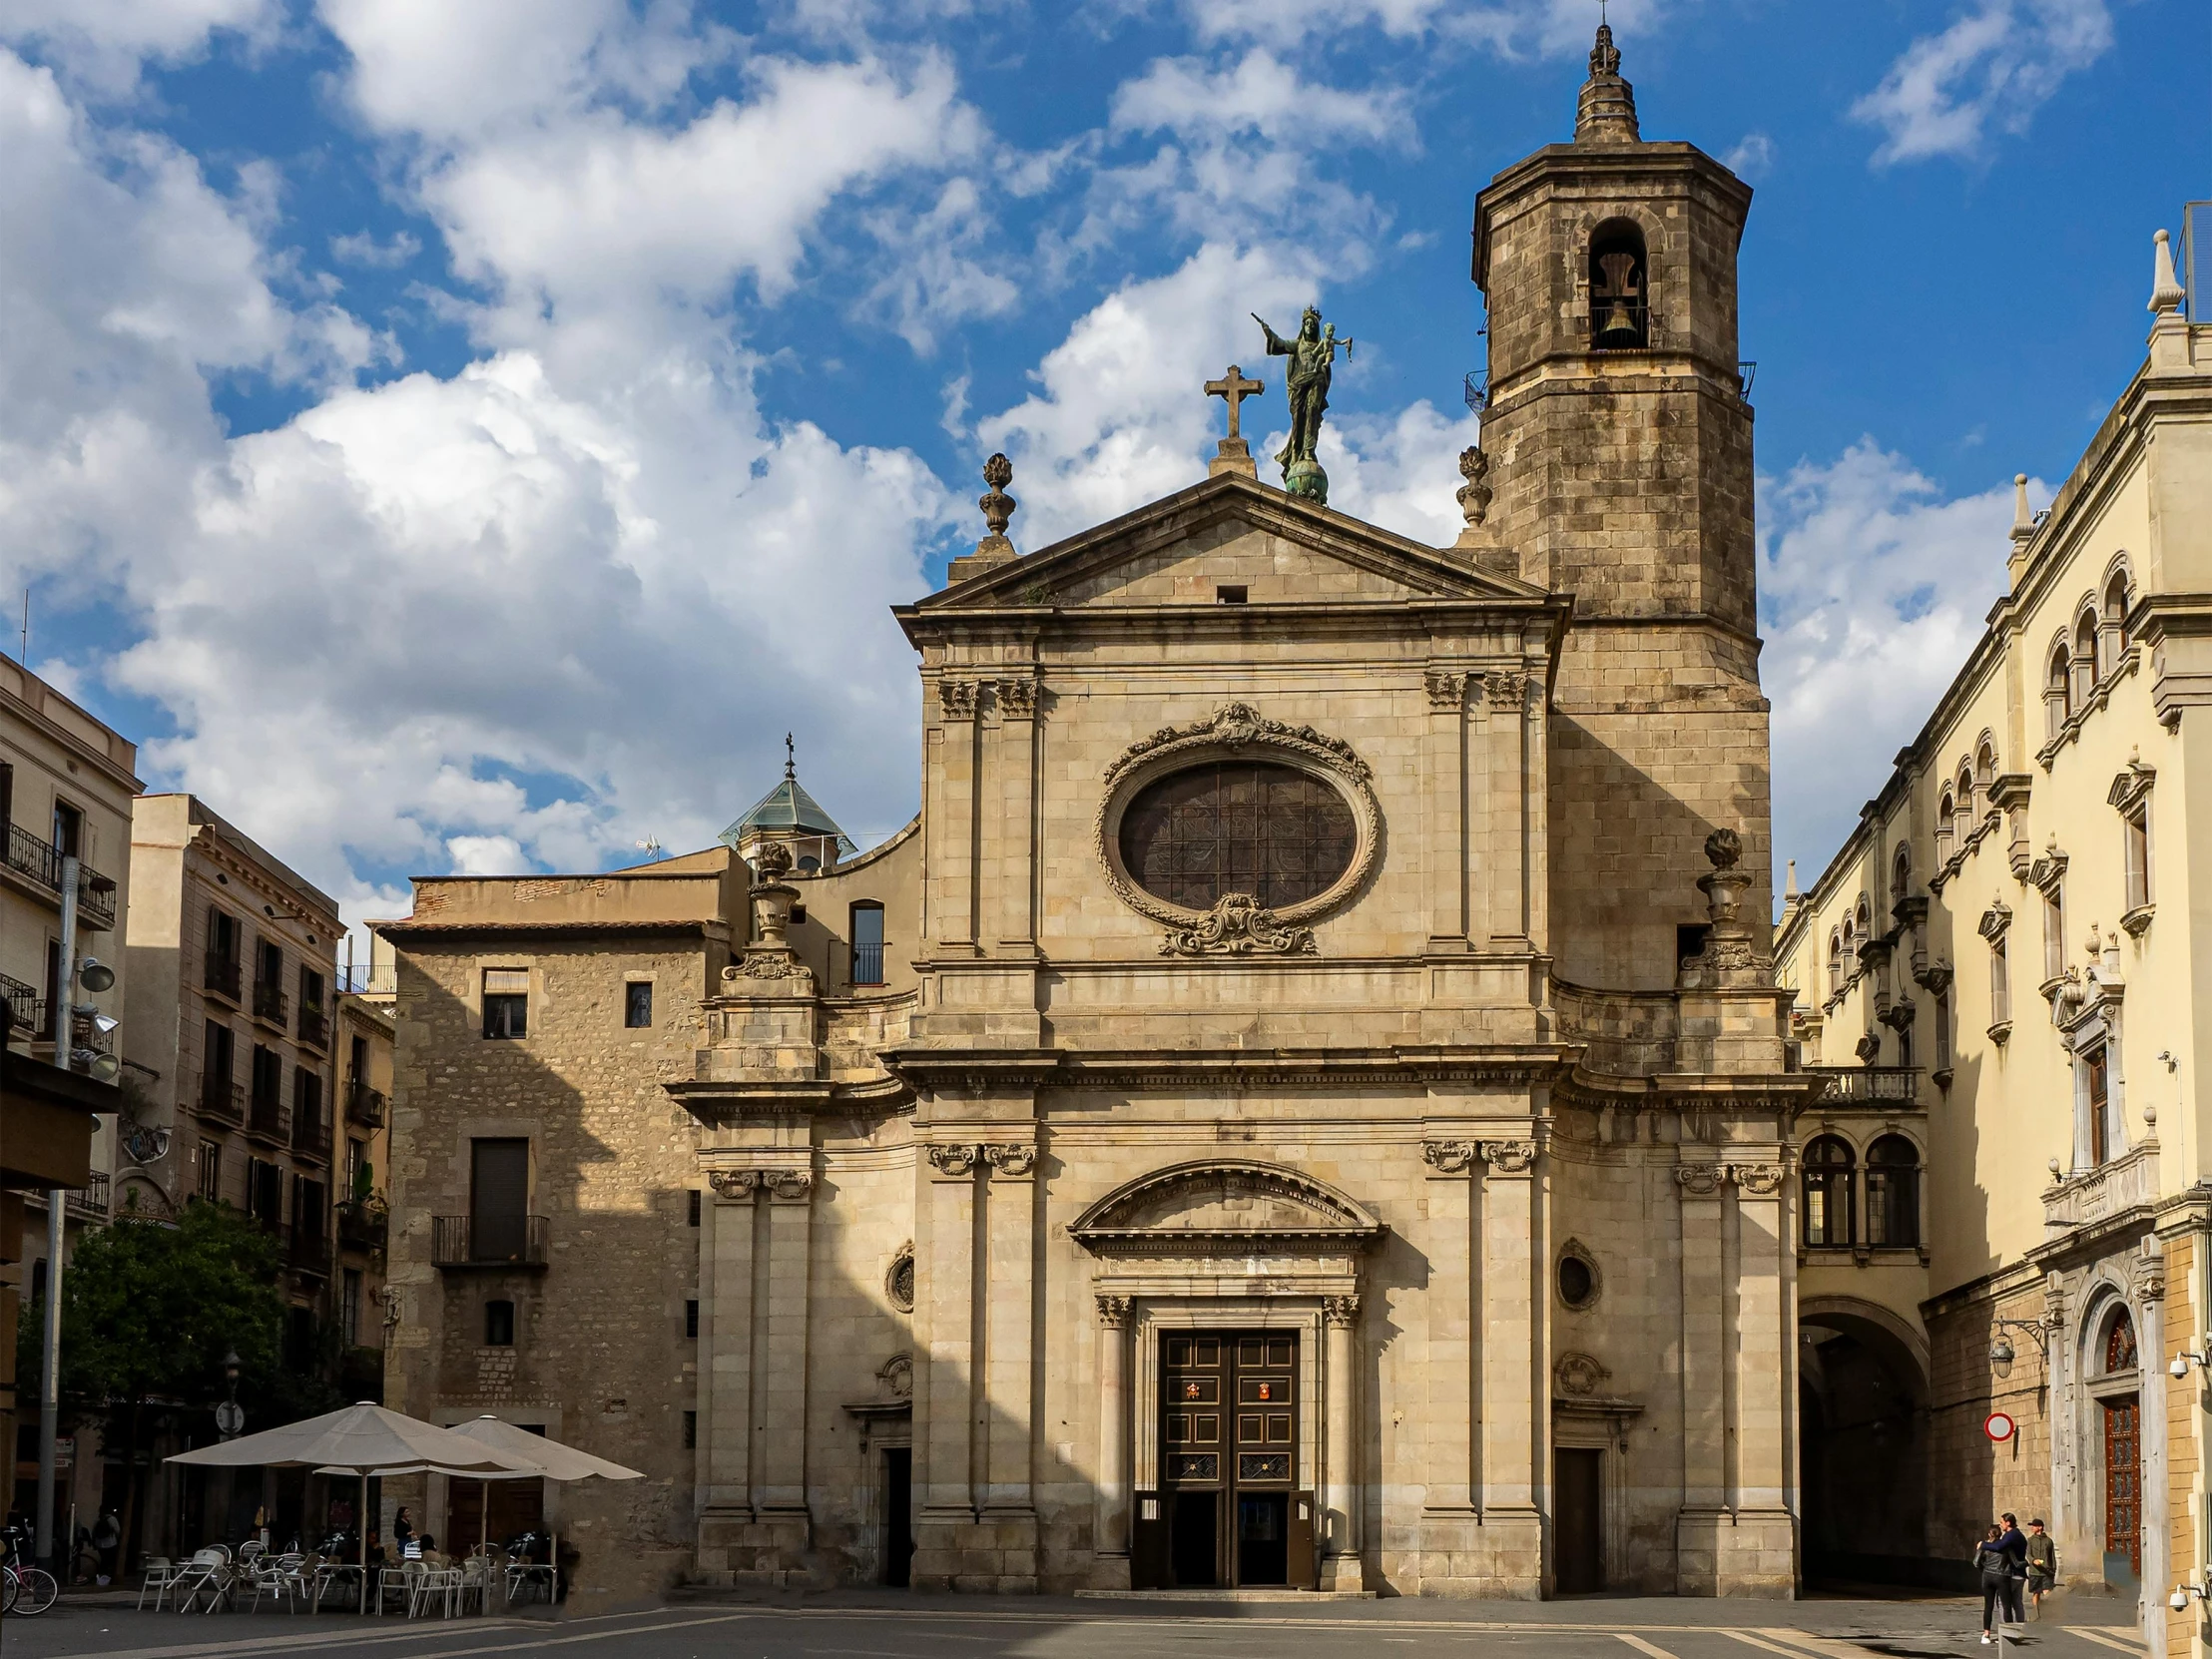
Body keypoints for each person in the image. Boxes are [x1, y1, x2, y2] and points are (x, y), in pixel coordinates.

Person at [1974, 1525, 2013, 1643]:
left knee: (1988, 1606)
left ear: (1989, 1534)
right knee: (2006, 1605)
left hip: (1987, 1576)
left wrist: (1984, 1569)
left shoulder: (1984, 1546)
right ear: (2000, 1534)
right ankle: (2008, 1633)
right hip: (2002, 1576)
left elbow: (1976, 1562)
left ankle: (1986, 1634)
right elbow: (2013, 1561)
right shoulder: (2005, 1546)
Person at [2025, 1519, 2058, 1615]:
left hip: (2046, 1571)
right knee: (2036, 1593)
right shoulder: (2030, 1540)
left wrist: (2053, 1570)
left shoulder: (2048, 1541)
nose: (2032, 1528)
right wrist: (2033, 1560)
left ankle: (2047, 1611)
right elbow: (2028, 1554)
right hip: (2034, 1571)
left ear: (2040, 1527)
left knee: (2047, 1592)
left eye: (2034, 1526)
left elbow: (2052, 1556)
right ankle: (2036, 1611)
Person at [91, 1507, 121, 1585]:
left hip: (100, 1544)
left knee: (103, 1561)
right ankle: (108, 1579)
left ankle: (101, 1579)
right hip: (111, 1543)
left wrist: (94, 1543)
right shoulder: (112, 1519)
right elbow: (117, 1531)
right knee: (110, 1562)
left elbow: (93, 1532)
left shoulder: (98, 1520)